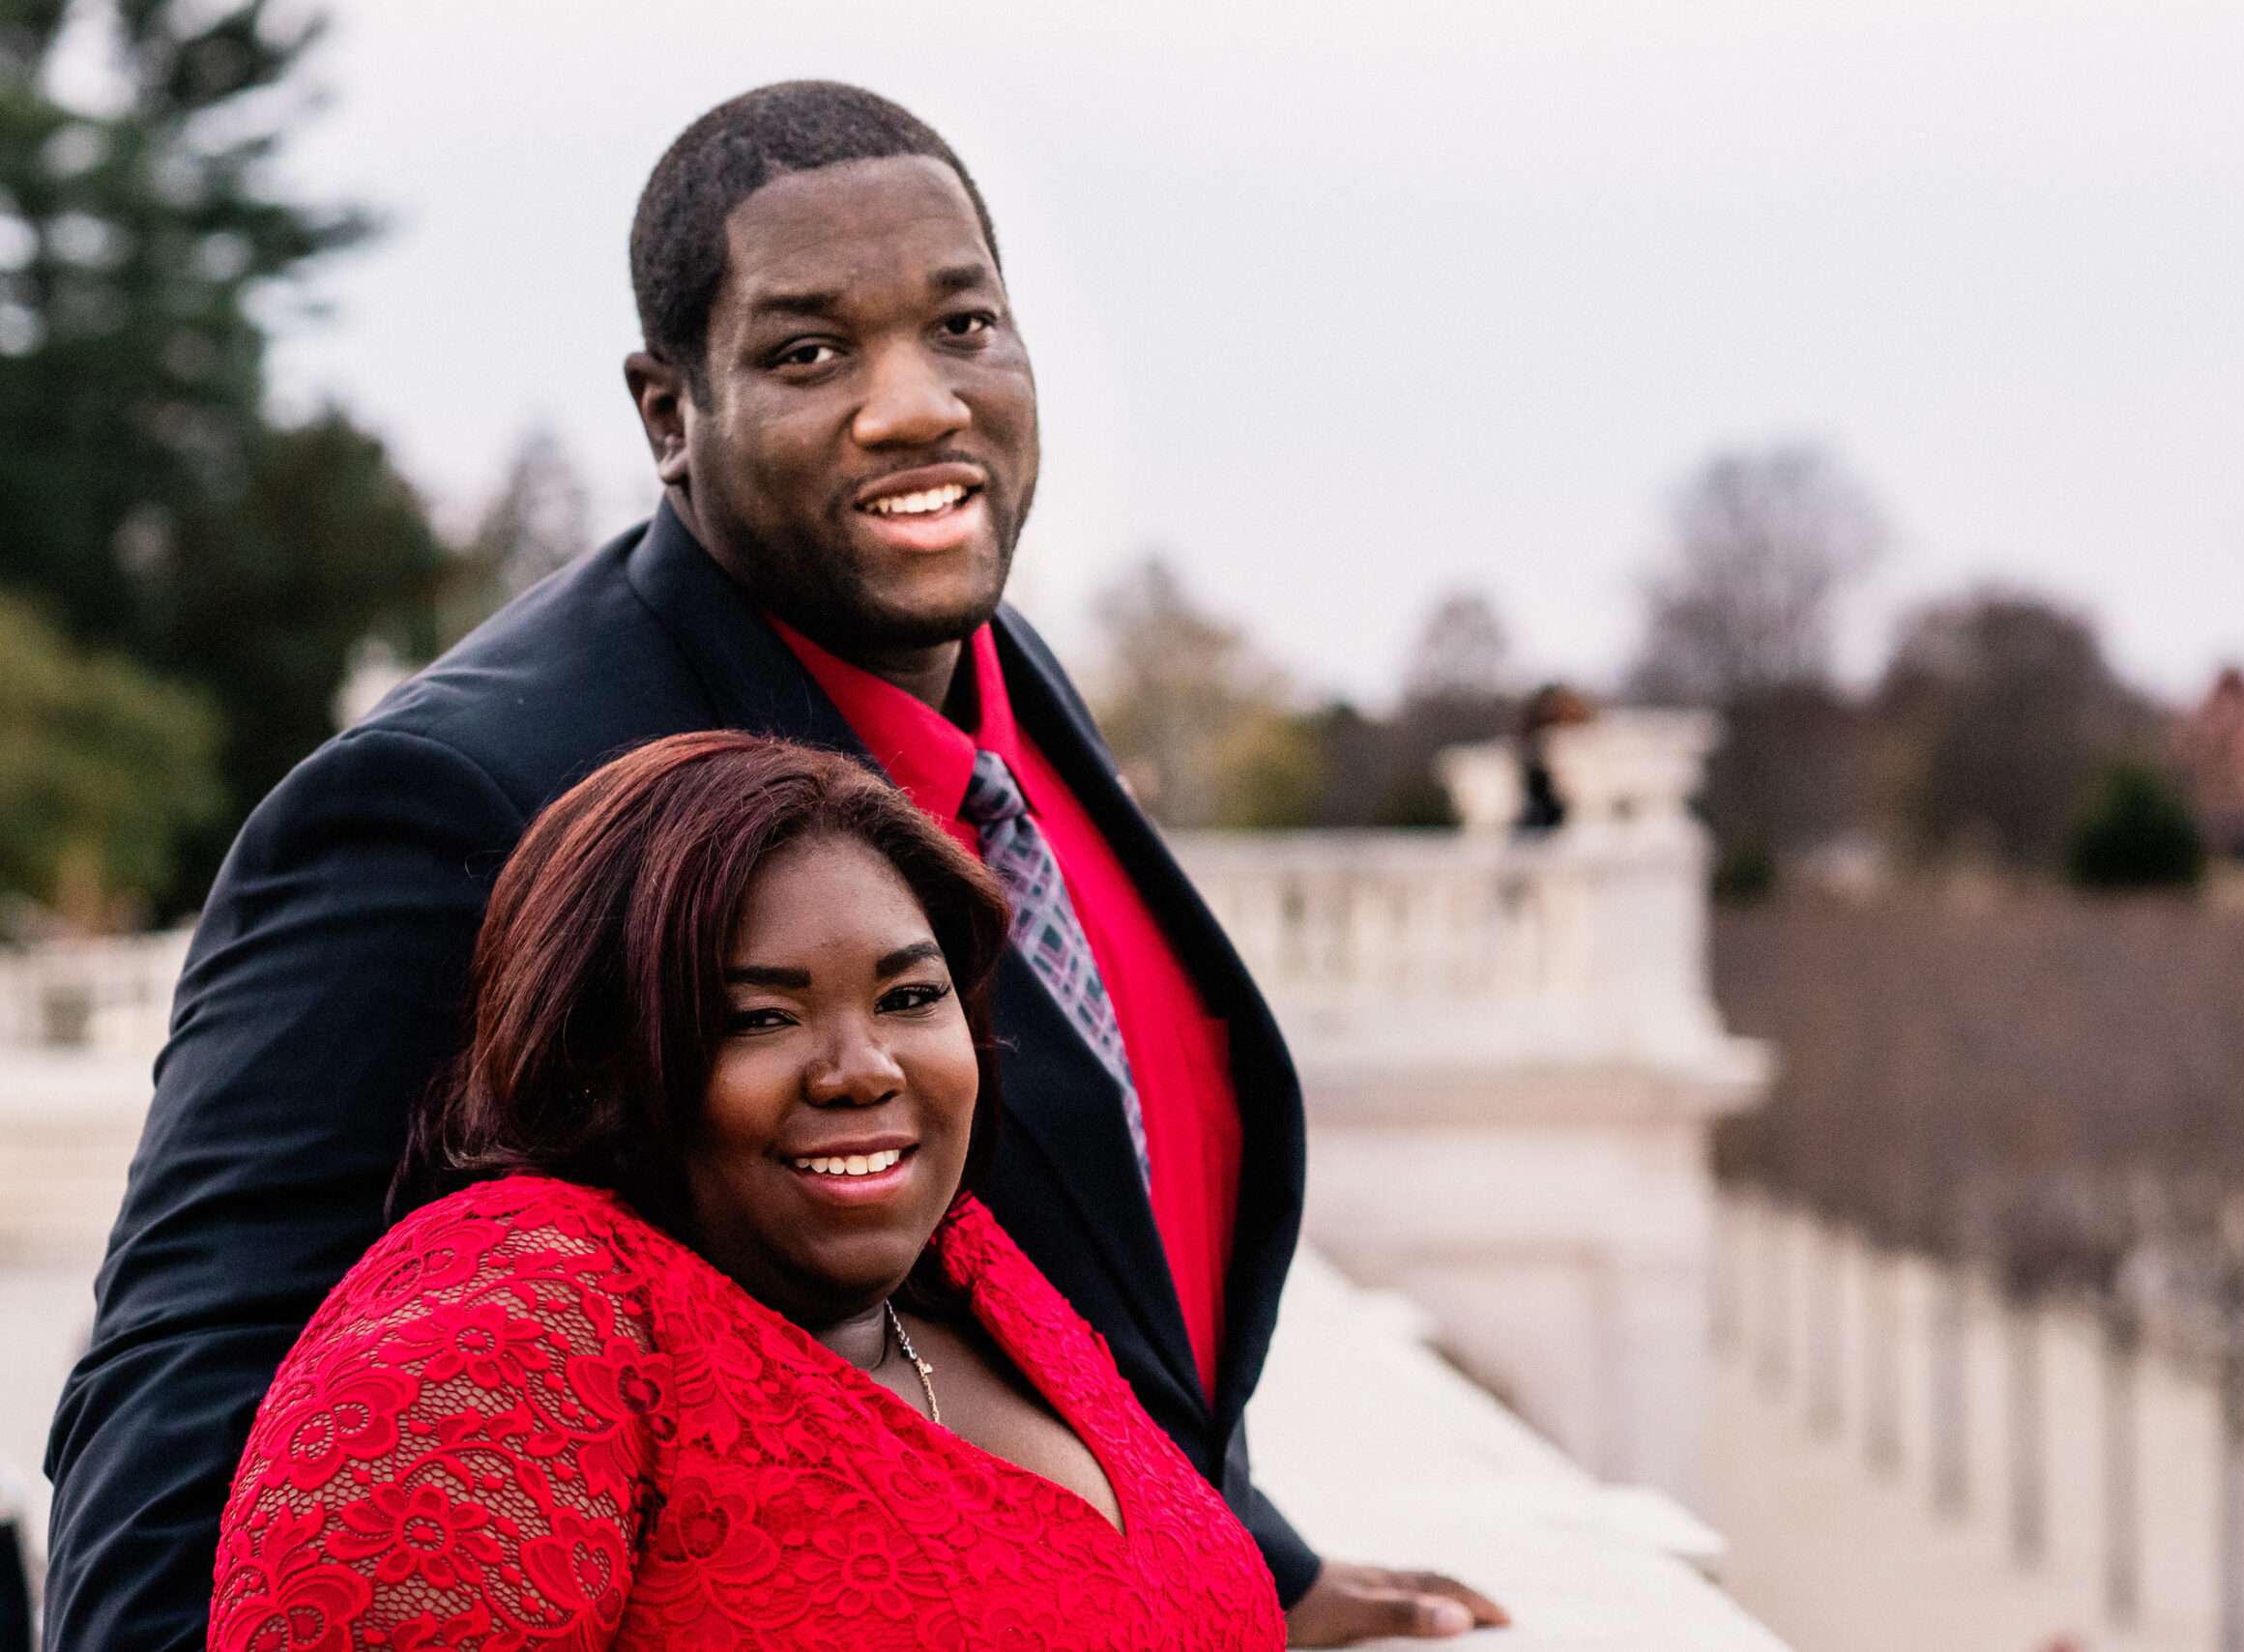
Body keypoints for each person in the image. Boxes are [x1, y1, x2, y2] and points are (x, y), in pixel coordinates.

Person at [46, 80, 1503, 1648]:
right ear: (669, 413)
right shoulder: (457, 793)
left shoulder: (997, 667)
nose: (914, 405)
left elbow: (1067, 1242)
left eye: (963, 326)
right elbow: (189, 1409)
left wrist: (1225, 1552)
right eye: (811, 352)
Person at [207, 732, 1287, 1647]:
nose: (863, 1067)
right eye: (757, 1017)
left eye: (910, 994)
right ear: (600, 1052)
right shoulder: (514, 1309)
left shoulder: (974, 1267)